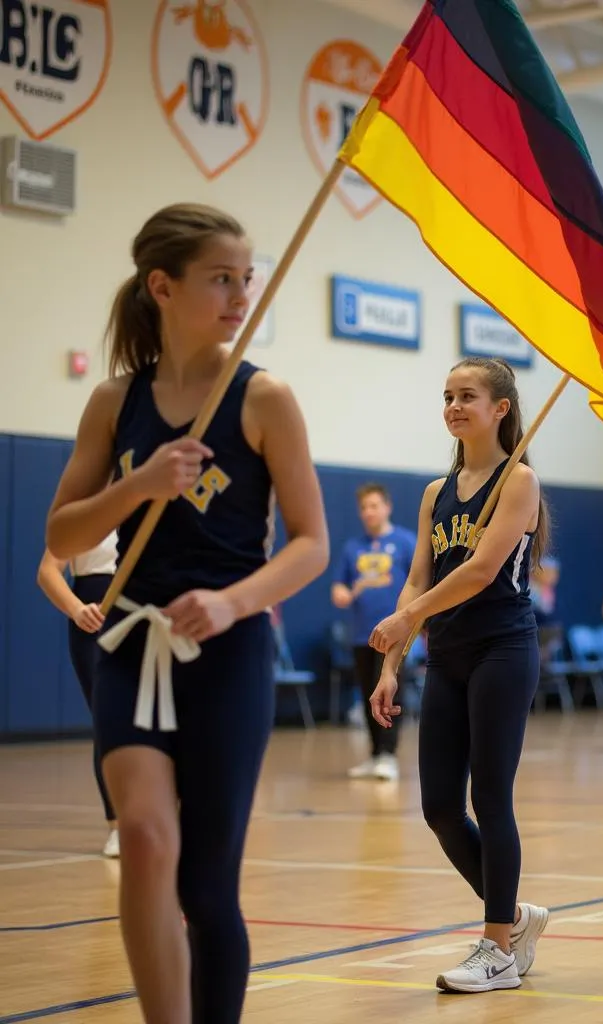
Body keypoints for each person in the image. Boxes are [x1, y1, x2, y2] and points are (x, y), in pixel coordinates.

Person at [44, 203, 329, 1023]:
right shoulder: (114, 402)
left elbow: (311, 545)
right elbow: (63, 534)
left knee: (206, 888)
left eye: (248, 278)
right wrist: (137, 485)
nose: (241, 294)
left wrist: (232, 601)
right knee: (140, 838)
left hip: (230, 652)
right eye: (221, 279)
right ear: (162, 286)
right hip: (133, 643)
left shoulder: (264, 398)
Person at [365, 356, 549, 994]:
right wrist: (393, 663)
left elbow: (477, 571)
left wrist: (407, 616)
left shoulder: (518, 481)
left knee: (490, 796)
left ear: (500, 408)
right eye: (447, 396)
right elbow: (417, 576)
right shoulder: (432, 493)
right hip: (446, 654)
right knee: (440, 806)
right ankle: (518, 915)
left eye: (467, 395)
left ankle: (497, 946)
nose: (453, 406)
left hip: (503, 647)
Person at [36, 531, 120, 857]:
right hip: (93, 620)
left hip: (141, 614)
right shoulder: (87, 510)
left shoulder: (150, 503)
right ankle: (117, 826)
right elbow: (47, 571)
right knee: (108, 722)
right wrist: (76, 609)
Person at [331, 483, 416, 781]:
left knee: (390, 693)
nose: (369, 512)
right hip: (361, 635)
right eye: (364, 507)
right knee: (368, 693)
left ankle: (389, 756)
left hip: (395, 636)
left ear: (387, 507)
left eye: (374, 505)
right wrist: (341, 592)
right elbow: (339, 585)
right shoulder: (353, 547)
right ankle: (375, 754)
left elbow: (420, 582)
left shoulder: (406, 542)